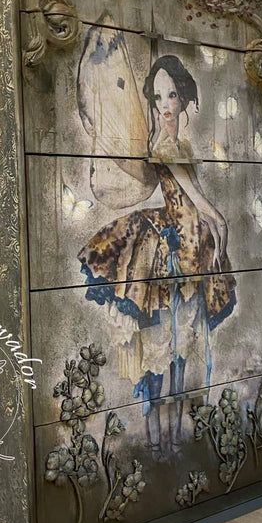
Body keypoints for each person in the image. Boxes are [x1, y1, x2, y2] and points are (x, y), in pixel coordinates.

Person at [77, 54, 236, 460]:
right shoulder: (164, 145)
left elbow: (198, 201)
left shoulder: (182, 144)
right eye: (159, 97)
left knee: (179, 348)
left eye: (172, 95)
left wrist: (214, 228)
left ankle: (172, 439)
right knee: (159, 346)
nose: (166, 104)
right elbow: (196, 199)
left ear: (184, 98)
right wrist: (217, 219)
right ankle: (156, 440)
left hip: (190, 245)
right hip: (169, 247)